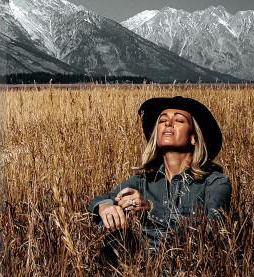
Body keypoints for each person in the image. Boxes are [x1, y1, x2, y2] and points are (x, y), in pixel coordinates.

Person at [87, 95, 231, 255]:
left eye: (179, 120)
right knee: (116, 240)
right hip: (145, 272)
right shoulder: (144, 180)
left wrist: (151, 208)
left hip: (192, 272)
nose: (168, 123)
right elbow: (102, 199)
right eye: (162, 121)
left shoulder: (214, 182)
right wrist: (105, 207)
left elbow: (213, 232)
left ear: (194, 138)